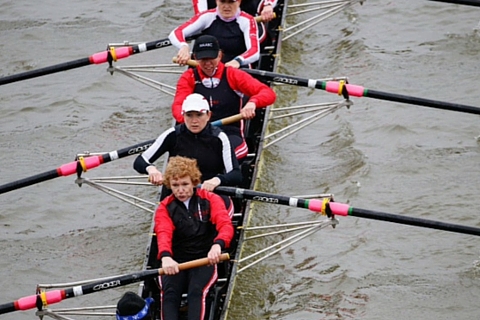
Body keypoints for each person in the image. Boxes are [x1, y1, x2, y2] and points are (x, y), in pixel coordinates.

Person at [171, 34, 276, 161]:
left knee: (216, 155)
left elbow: (268, 93)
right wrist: (192, 122)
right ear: (195, 58)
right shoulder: (188, 78)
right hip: (197, 132)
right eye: (203, 59)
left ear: (220, 55)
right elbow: (178, 107)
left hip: (229, 132)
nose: (208, 64)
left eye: (212, 58)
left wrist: (252, 103)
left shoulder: (233, 75)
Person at [133, 92, 241, 214]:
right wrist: (151, 169)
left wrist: (217, 180)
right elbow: (140, 161)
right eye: (189, 115)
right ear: (183, 115)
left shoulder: (219, 138)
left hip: (208, 193)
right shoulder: (172, 135)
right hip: (178, 192)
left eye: (199, 115)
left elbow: (236, 175)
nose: (194, 121)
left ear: (208, 115)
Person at [155, 156, 234, 320]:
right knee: (169, 294)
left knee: (197, 292)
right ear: (170, 185)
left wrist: (217, 246)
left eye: (185, 184)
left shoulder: (210, 199)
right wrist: (166, 257)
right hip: (176, 261)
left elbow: (225, 225)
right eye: (175, 186)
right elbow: (163, 234)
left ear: (194, 182)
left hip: (205, 258)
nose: (180, 190)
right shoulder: (165, 207)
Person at [170, 0, 260, 68]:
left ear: (239, 2)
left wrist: (238, 61)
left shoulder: (248, 21)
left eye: (231, 2)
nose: (226, 6)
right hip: (205, 66)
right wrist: (183, 46)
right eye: (222, 1)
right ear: (216, 1)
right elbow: (176, 33)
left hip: (234, 69)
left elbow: (254, 51)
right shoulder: (207, 16)